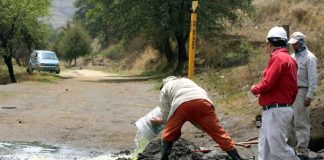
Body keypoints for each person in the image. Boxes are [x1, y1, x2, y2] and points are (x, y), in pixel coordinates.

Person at [151, 76, 245, 160]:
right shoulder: (186, 80)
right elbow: (199, 93)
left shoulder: (165, 89)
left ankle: (164, 158)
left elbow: (167, 112)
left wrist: (162, 121)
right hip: (203, 102)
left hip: (181, 104)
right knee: (219, 133)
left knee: (168, 134)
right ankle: (236, 158)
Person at [250, 26, 299, 160]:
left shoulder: (278, 58)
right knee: (264, 150)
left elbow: (267, 83)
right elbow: (294, 89)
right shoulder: (290, 60)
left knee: (278, 150)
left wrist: (255, 88)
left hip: (275, 111)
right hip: (280, 109)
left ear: (270, 43)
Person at [287, 31, 318, 160]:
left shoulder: (310, 58)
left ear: (300, 42)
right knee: (289, 121)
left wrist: (309, 96)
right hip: (291, 92)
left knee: (301, 122)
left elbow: (313, 78)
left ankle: (302, 152)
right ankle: (290, 148)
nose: (293, 46)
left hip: (302, 91)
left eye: (294, 44)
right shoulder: (292, 56)